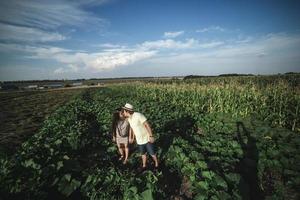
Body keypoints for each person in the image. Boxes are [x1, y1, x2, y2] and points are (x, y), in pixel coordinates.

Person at [121, 103, 159, 171]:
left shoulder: (138, 115)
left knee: (152, 153)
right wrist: (131, 137)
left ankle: (156, 163)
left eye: (124, 111)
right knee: (143, 154)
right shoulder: (129, 119)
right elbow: (132, 129)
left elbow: (147, 125)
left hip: (147, 139)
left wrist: (151, 136)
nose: (123, 113)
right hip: (139, 140)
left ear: (127, 111)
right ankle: (144, 165)